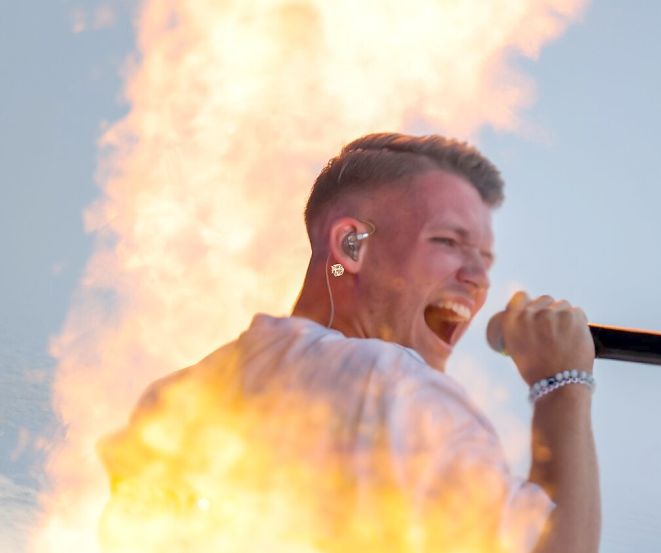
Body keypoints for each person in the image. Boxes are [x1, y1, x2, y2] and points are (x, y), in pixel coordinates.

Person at [99, 133, 601, 553]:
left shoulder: (177, 396)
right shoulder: (400, 394)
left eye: (485, 260)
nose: (476, 279)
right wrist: (563, 382)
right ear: (350, 247)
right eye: (448, 243)